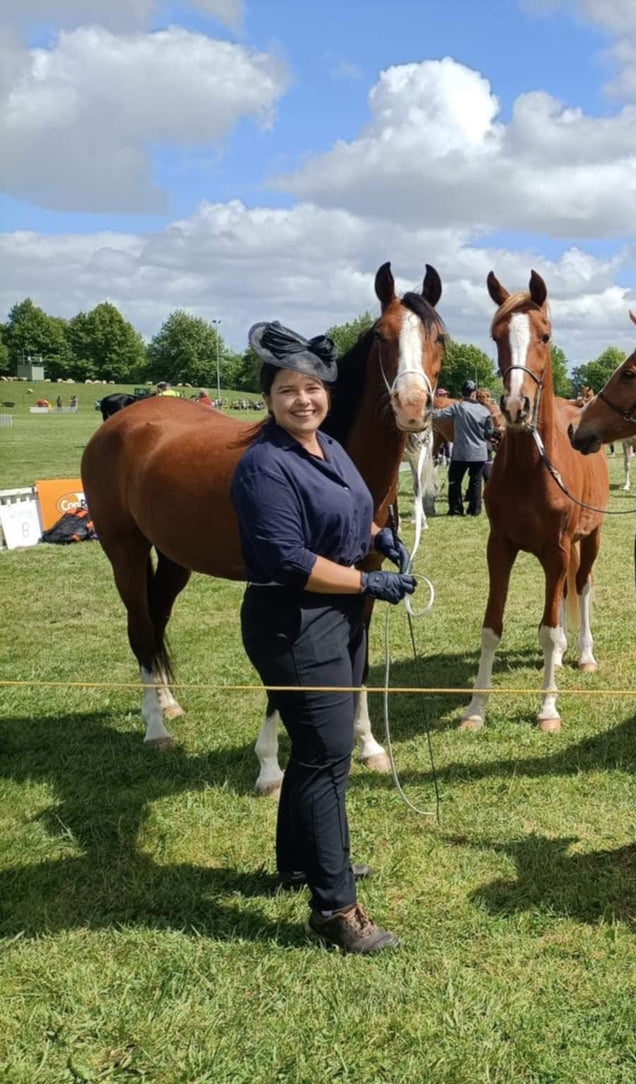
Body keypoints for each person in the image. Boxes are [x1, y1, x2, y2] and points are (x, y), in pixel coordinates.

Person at [231, 320, 416, 954]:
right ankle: (335, 909)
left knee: (317, 751)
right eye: (287, 390)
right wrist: (367, 586)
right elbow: (288, 558)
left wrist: (376, 540)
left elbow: (347, 514)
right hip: (293, 621)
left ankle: (298, 864)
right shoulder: (264, 466)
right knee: (328, 753)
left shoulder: (328, 448)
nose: (302, 400)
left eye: (312, 388)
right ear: (268, 398)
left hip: (336, 617)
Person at [434, 380, 494, 515]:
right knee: (476, 482)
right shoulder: (484, 411)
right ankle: (475, 510)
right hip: (479, 453)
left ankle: (456, 509)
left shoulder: (457, 407)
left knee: (455, 481)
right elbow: (489, 432)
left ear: (463, 393)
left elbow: (438, 415)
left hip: (461, 452)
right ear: (474, 394)